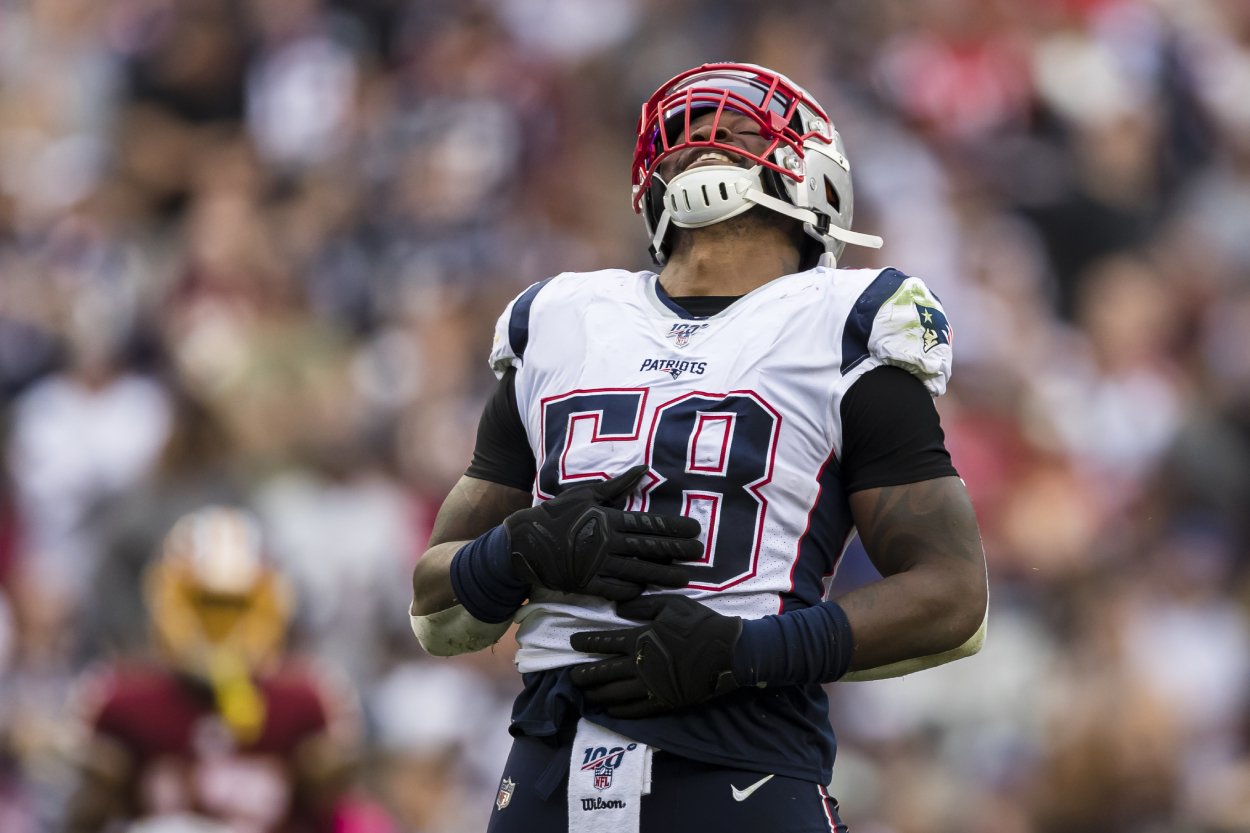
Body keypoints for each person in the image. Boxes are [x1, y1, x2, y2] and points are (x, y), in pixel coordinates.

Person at [410, 62, 987, 833]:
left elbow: (953, 596)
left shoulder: (844, 319)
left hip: (741, 764)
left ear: (815, 182)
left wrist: (748, 650)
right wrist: (518, 551)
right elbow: (435, 609)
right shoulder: (561, 317)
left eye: (745, 130)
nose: (706, 140)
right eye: (682, 134)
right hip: (548, 765)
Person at [67, 507, 357, 833]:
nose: (220, 627)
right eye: (205, 604)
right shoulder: (119, 698)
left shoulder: (308, 698)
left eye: (235, 607)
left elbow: (339, 817)